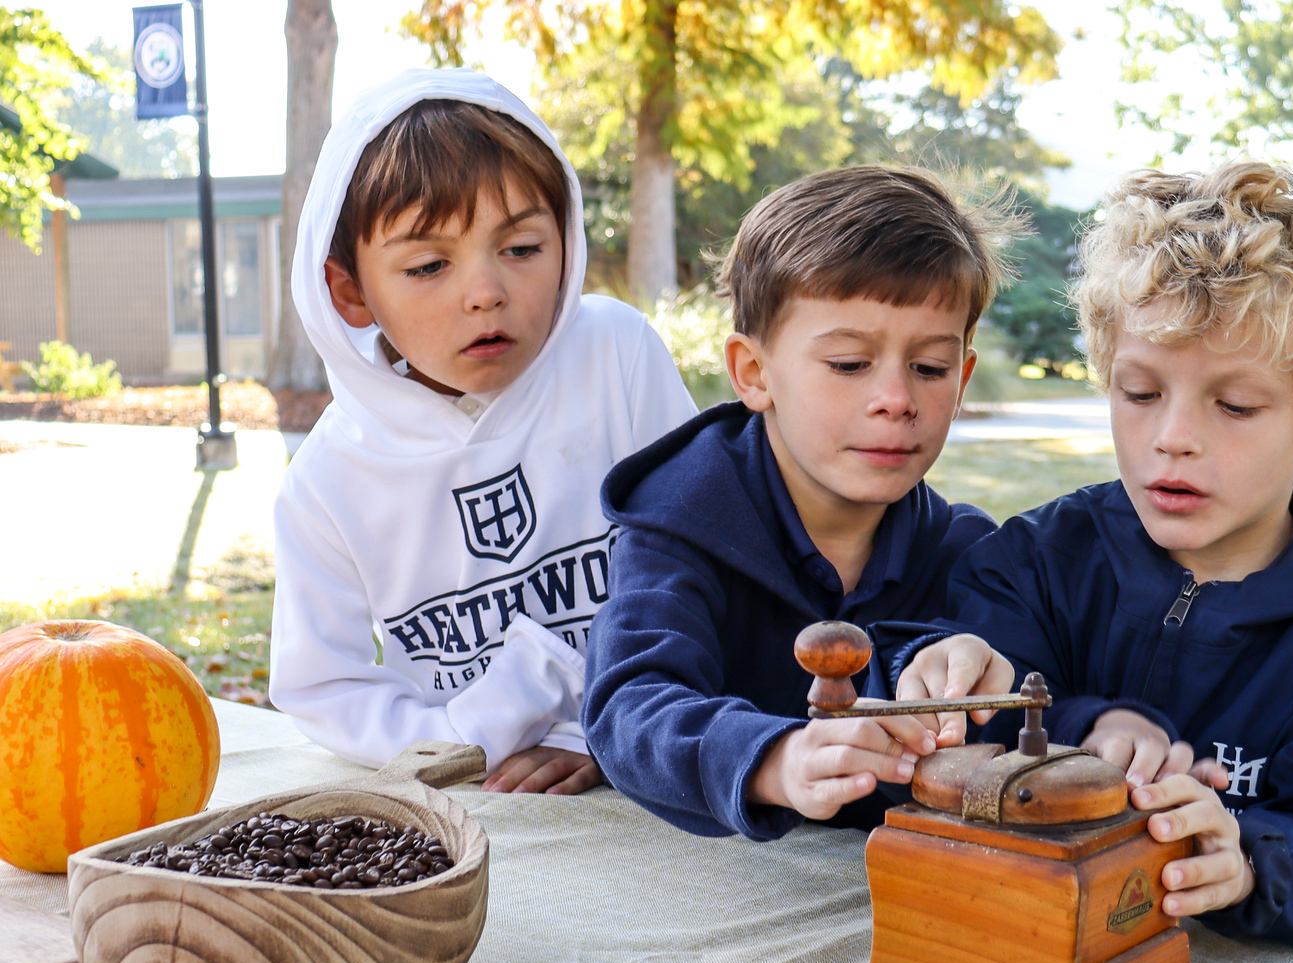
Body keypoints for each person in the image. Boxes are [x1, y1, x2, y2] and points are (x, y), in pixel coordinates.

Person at [894, 162, 1293, 949]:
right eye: (1140, 392)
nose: (1174, 437)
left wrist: (1249, 857)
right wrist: (986, 686)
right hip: (1027, 952)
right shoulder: (1033, 560)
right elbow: (976, 728)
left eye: (1234, 404)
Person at [270, 69, 696, 794]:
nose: (486, 292)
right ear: (350, 291)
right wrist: (470, 739)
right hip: (484, 809)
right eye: (429, 264)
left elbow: (711, 564)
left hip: (667, 764)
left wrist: (620, 728)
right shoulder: (326, 483)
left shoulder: (614, 357)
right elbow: (325, 688)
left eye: (522, 249)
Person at [581, 166, 1021, 840]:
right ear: (753, 373)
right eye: (849, 363)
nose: (896, 398)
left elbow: (1037, 709)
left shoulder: (968, 551)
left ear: (961, 377)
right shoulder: (681, 522)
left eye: (929, 367)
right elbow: (629, 706)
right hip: (704, 886)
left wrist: (966, 667)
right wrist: (773, 759)